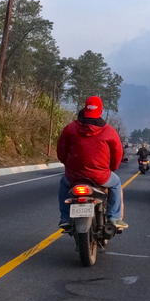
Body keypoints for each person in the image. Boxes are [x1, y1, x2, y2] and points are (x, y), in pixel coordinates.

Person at [56, 95, 128, 231]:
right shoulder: (109, 131)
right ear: (100, 111)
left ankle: (65, 218)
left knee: (63, 184)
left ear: (85, 108)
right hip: (100, 176)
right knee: (116, 183)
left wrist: (68, 165)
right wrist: (112, 168)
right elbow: (117, 154)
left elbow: (61, 151)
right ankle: (114, 217)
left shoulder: (70, 129)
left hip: (75, 175)